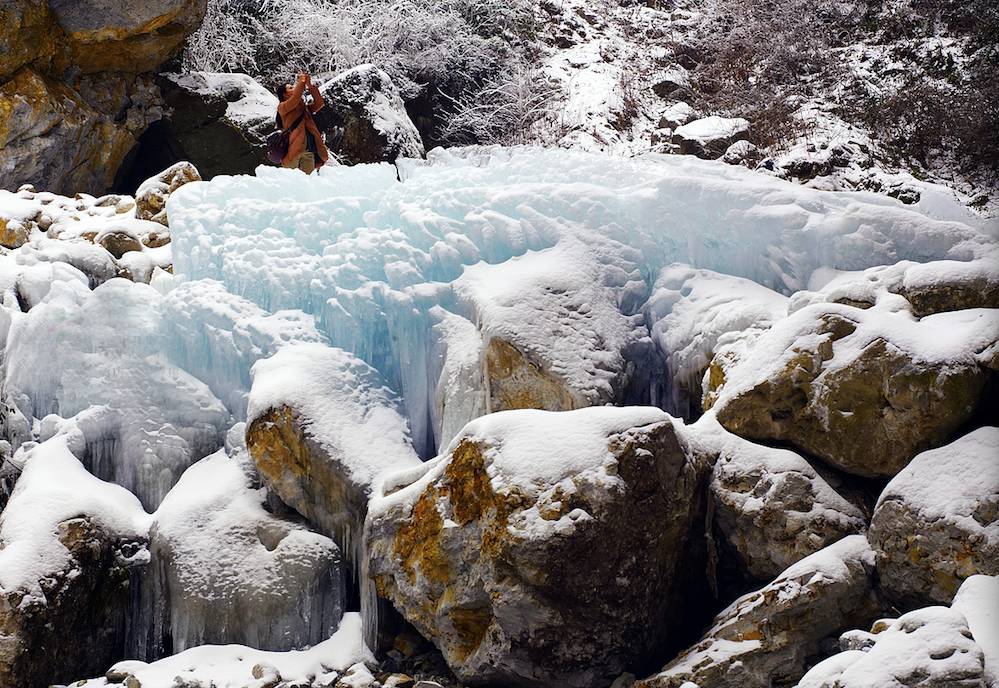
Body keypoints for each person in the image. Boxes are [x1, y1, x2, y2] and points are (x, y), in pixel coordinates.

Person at [275, 72, 329, 174]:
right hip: (294, 150)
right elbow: (295, 99)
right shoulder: (283, 107)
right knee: (290, 179)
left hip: (309, 149)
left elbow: (319, 103)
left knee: (308, 181)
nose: (294, 88)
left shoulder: (304, 108)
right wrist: (301, 82)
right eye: (290, 88)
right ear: (284, 94)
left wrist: (309, 85)